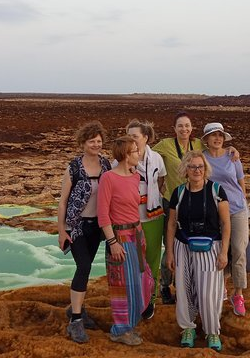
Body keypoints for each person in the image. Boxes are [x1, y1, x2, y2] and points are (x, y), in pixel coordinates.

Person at [152, 111, 239, 304]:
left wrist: (232, 148)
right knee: (171, 246)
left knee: (192, 243)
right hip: (173, 201)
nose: (184, 129)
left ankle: (190, 285)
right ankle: (165, 286)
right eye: (180, 126)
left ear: (192, 129)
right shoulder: (165, 145)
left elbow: (217, 147)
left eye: (187, 126)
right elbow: (147, 155)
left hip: (196, 200)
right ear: (174, 128)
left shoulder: (198, 143)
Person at [165, 150, 230, 352]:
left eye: (200, 166)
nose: (196, 170)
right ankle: (188, 328)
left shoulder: (217, 190)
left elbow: (226, 223)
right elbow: (171, 224)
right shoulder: (179, 192)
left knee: (208, 292)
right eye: (192, 166)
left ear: (205, 169)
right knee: (184, 290)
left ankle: (212, 332)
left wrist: (224, 252)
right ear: (185, 169)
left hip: (211, 247)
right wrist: (169, 253)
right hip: (183, 246)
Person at [57, 122, 111, 344]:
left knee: (86, 268)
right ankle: (76, 321)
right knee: (84, 266)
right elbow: (62, 202)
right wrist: (61, 230)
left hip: (96, 227)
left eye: (99, 141)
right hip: (76, 226)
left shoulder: (106, 164)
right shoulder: (74, 167)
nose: (96, 145)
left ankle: (76, 308)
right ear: (83, 143)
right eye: (92, 142)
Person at [98, 136, 154, 346]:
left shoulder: (135, 177)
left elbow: (134, 210)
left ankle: (129, 324)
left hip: (136, 236)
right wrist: (113, 243)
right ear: (124, 155)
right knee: (122, 286)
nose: (138, 154)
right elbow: (103, 215)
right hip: (119, 239)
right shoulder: (109, 178)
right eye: (134, 151)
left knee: (142, 281)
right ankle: (120, 330)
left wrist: (141, 237)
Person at [202, 122, 249, 317]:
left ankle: (238, 295)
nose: (218, 138)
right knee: (218, 252)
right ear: (206, 139)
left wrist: (243, 204)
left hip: (237, 209)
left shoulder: (232, 157)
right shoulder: (202, 159)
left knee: (238, 250)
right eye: (214, 135)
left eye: (221, 135)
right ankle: (220, 288)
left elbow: (241, 183)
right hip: (213, 212)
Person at [123, 119, 166, 317]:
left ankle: (150, 300)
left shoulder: (156, 158)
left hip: (154, 217)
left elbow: (161, 179)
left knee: (152, 261)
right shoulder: (121, 160)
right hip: (130, 219)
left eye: (135, 136)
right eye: (128, 136)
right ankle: (134, 299)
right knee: (133, 262)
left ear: (145, 138)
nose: (131, 140)